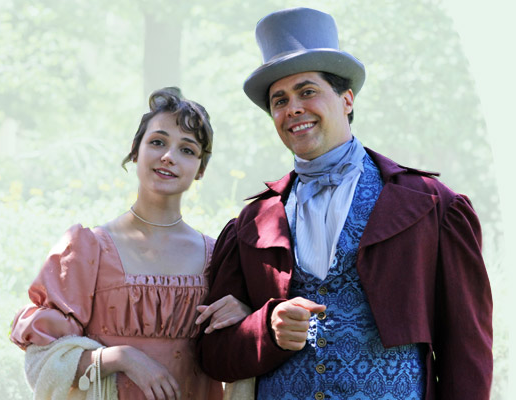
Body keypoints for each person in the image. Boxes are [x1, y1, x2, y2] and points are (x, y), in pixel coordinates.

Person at [196, 7, 493, 400]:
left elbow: (467, 352)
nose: (293, 108)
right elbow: (213, 354)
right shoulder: (252, 223)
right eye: (279, 100)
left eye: (307, 91)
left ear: (347, 99)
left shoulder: (432, 207)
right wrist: (265, 329)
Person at [11, 87, 250, 400]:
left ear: (200, 169)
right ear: (136, 150)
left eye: (187, 149)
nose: (169, 156)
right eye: (158, 142)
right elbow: (43, 362)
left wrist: (245, 313)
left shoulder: (217, 256)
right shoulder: (86, 250)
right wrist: (121, 357)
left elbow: (240, 349)